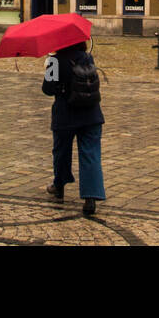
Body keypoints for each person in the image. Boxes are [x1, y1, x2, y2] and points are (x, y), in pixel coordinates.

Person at [42, 42, 105, 216]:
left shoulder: (54, 61)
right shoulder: (87, 58)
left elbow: (47, 90)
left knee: (61, 151)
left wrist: (49, 70)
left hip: (65, 113)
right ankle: (90, 197)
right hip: (91, 113)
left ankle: (59, 186)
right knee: (90, 153)